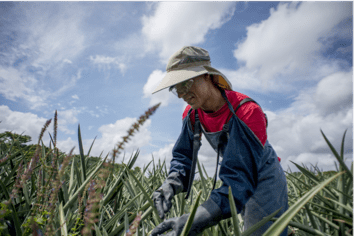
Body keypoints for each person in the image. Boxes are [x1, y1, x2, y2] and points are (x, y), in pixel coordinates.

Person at [150, 46, 288, 236]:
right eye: (177, 89)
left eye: (186, 84)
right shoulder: (191, 114)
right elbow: (183, 156)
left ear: (207, 76)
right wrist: (170, 184)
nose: (181, 95)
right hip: (236, 175)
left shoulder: (247, 111)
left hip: (264, 177)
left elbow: (240, 175)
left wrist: (197, 218)